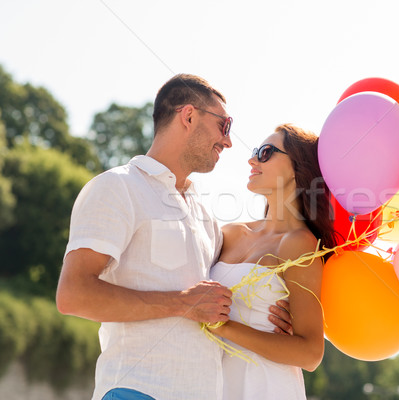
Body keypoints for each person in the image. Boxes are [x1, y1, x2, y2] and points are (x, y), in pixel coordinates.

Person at [56, 74, 292, 400]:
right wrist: (183, 303)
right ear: (189, 116)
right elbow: (73, 294)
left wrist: (274, 316)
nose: (228, 141)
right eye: (224, 126)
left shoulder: (206, 218)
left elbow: (221, 296)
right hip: (135, 390)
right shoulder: (117, 187)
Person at [209, 124, 337, 400]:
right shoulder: (230, 233)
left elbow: (310, 353)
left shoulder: (298, 244)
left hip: (265, 387)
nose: (252, 160)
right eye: (256, 152)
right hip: (215, 385)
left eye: (266, 152)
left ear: (297, 169)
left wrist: (224, 326)